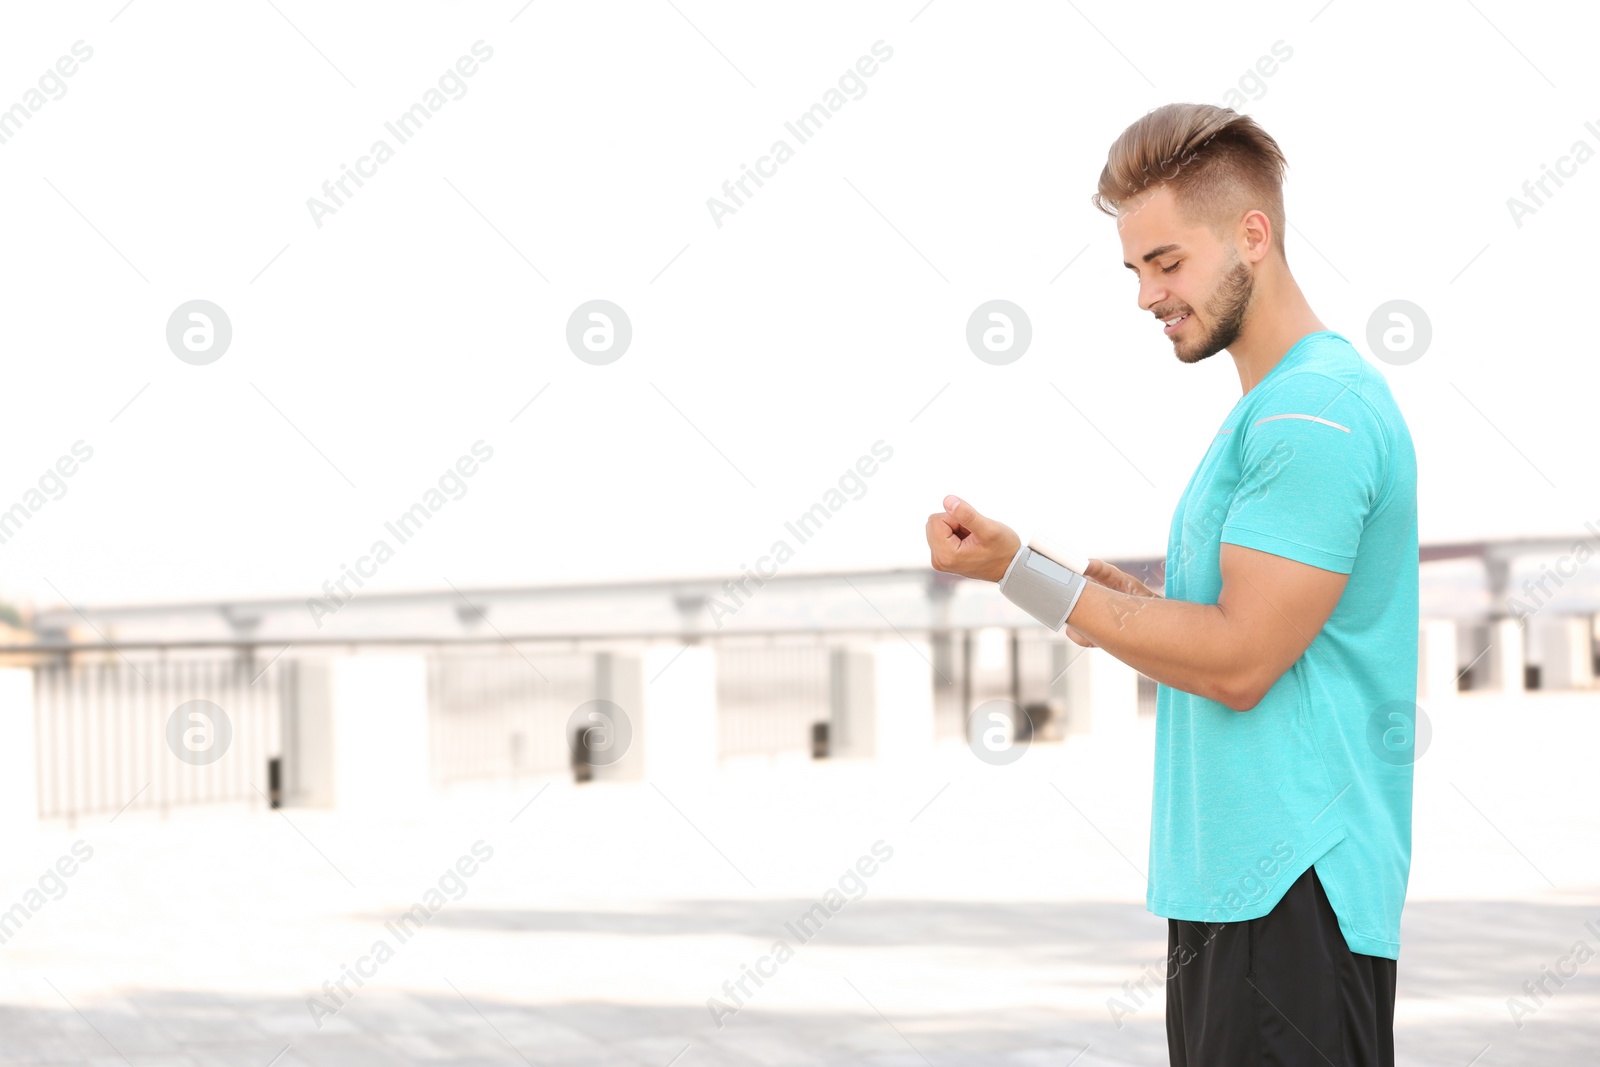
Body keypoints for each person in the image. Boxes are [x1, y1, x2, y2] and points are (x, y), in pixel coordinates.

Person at [923, 103, 1418, 1066]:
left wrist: (1032, 583)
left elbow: (1240, 662)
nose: (1147, 295)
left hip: (1294, 901)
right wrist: (1061, 584)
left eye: (1167, 262)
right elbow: (1235, 629)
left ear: (1252, 235)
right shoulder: (1273, 412)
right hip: (1234, 898)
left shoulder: (1314, 415)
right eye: (1135, 269)